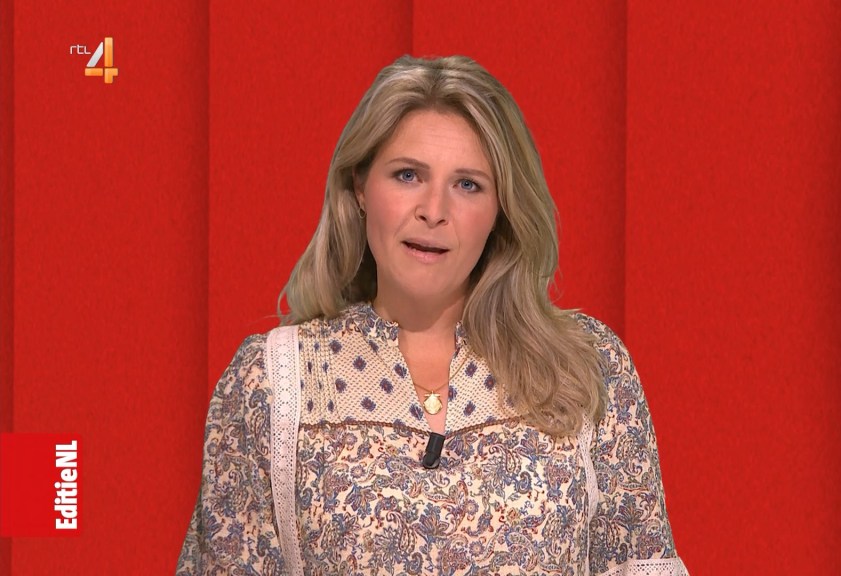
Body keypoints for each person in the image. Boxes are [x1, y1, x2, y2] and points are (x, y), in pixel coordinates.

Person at [177, 54, 689, 576]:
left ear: (501, 211)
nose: (434, 210)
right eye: (408, 175)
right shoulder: (272, 382)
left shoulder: (588, 367)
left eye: (468, 185)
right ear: (359, 187)